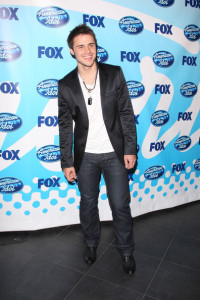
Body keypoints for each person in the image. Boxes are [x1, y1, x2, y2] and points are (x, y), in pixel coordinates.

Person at [58, 24, 137, 275]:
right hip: (85, 158)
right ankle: (91, 244)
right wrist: (67, 162)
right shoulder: (66, 85)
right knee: (88, 204)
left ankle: (126, 251)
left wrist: (130, 149)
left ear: (96, 47)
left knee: (120, 205)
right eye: (80, 46)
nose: (87, 50)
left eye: (91, 44)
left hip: (115, 154)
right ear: (72, 51)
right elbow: (64, 127)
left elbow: (126, 113)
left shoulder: (115, 74)